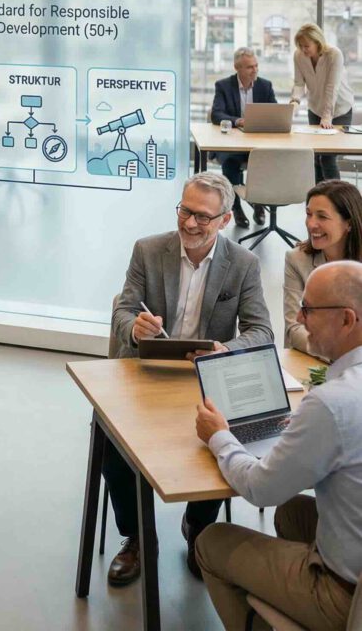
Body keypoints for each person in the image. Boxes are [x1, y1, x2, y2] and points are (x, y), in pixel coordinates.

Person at [106, 172, 273, 586]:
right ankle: (137, 536)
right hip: (147, 373)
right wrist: (134, 328)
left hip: (205, 377)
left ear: (225, 219)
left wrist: (225, 350)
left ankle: (199, 528)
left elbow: (262, 331)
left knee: (221, 435)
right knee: (112, 442)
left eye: (202, 216)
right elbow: (123, 310)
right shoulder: (148, 250)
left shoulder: (244, 264)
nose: (189, 223)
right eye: (184, 211)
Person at [195, 260, 362, 631]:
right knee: (291, 512)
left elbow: (260, 489)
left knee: (211, 541)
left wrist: (219, 435)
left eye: (310, 309)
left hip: (347, 596)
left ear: (347, 319)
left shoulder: (332, 403)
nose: (299, 319)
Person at [283, 179, 362, 355]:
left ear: (349, 223)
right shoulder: (296, 259)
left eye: (322, 216)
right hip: (317, 359)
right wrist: (336, 355)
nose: (311, 224)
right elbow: (294, 327)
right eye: (309, 214)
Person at [211, 47, 277, 229]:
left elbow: (276, 113)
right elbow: (216, 114)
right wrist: (238, 121)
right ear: (237, 68)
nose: (255, 70)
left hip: (258, 143)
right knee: (230, 161)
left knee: (267, 160)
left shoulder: (265, 85)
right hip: (232, 143)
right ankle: (236, 207)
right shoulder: (223, 86)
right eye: (249, 67)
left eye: (256, 66)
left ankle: (258, 202)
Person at [289, 22, 354, 182]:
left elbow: (332, 87)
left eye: (307, 46)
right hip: (315, 108)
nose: (303, 50)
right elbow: (299, 83)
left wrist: (327, 116)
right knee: (316, 156)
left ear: (317, 42)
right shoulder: (298, 56)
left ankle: (336, 200)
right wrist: (294, 102)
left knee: (328, 157)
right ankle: (318, 198)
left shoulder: (334, 55)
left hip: (339, 109)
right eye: (300, 46)